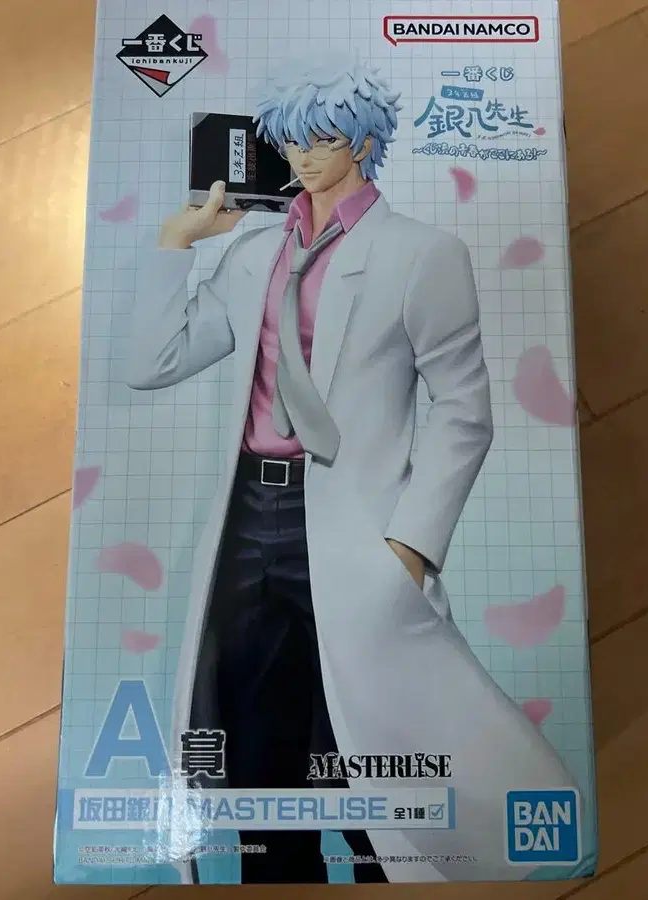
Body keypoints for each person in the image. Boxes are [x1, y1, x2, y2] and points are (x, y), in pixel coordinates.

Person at [127, 55, 573, 886]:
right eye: (291, 140)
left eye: (324, 139)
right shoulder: (255, 254)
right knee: (258, 737)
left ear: (364, 143)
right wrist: (174, 245)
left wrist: (412, 546)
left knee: (366, 740)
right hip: (249, 519)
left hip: (356, 525)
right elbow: (153, 363)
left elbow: (463, 409)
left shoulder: (421, 254)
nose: (303, 158)